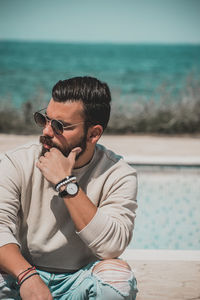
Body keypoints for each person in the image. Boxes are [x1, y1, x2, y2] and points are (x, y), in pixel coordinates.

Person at [0, 76, 138, 299]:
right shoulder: (16, 162)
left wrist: (65, 184)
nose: (46, 131)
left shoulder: (118, 173)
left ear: (93, 134)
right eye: (45, 119)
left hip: (81, 280)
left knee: (118, 282)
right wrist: (27, 276)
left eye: (59, 126)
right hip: (24, 273)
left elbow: (112, 246)